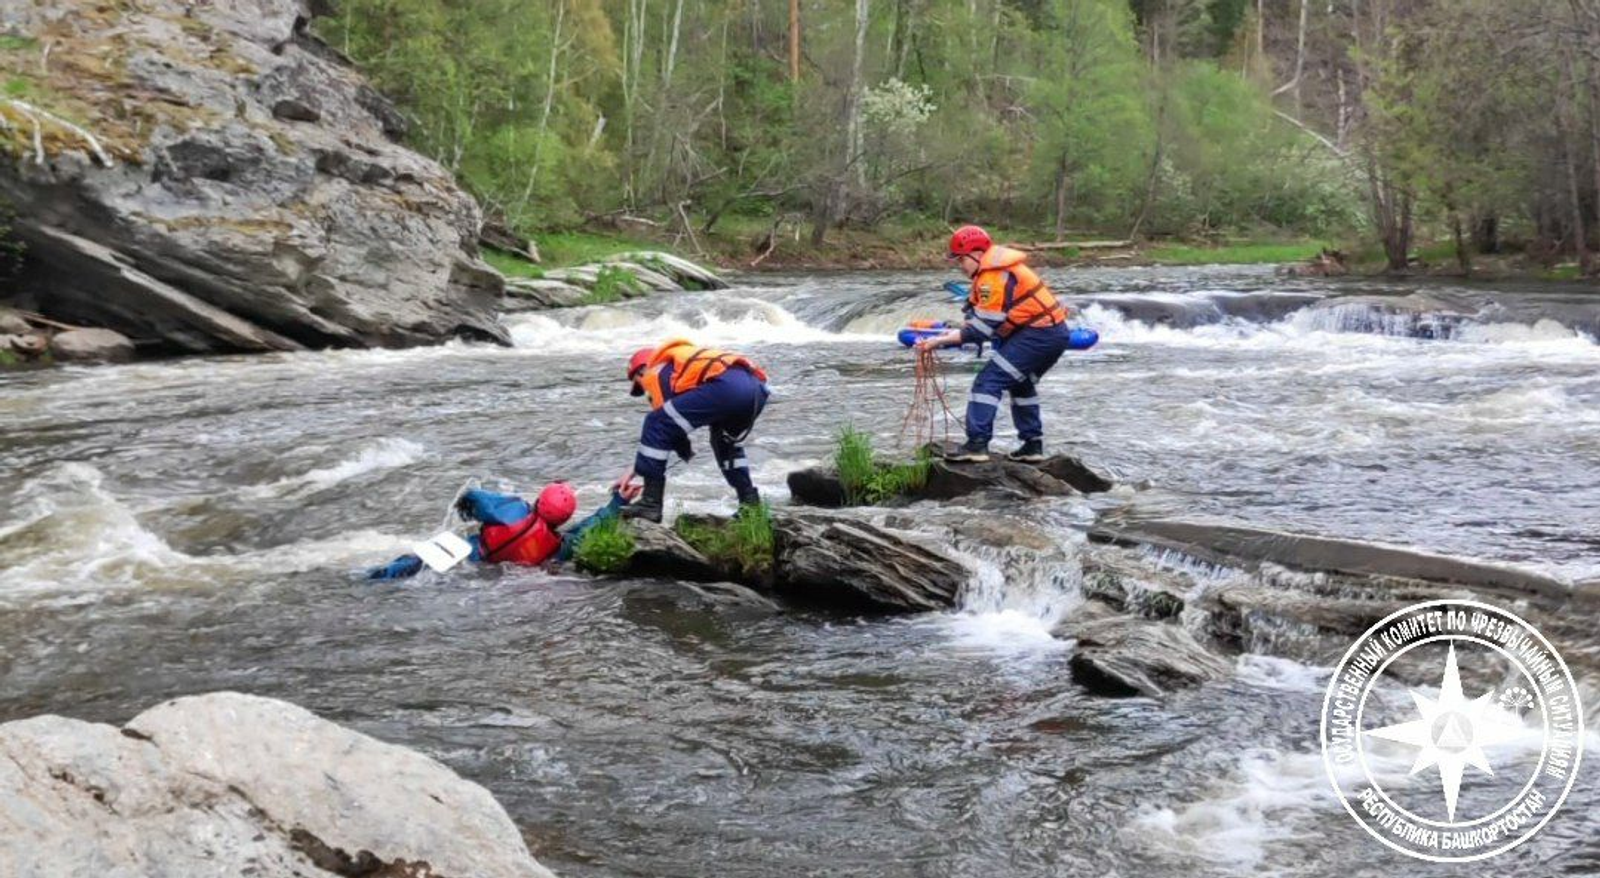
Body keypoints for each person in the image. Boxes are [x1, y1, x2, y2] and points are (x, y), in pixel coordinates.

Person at [916, 225, 1072, 463]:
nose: (960, 267)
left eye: (961, 260)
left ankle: (977, 445)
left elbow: (980, 331)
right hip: (1053, 334)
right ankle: (1032, 446)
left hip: (1038, 335)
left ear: (977, 254)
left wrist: (938, 341)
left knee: (988, 381)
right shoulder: (998, 272)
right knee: (1021, 385)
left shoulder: (992, 278)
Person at [613, 337, 770, 522]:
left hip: (727, 389)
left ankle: (650, 503)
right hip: (755, 389)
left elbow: (663, 428)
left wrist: (636, 469)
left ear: (641, 371)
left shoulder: (656, 371)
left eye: (639, 384)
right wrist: (681, 449)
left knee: (655, 422)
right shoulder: (680, 363)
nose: (645, 389)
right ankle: (751, 505)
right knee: (724, 443)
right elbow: (675, 425)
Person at [366, 482, 637, 579]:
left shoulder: (514, 509)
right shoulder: (558, 545)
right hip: (504, 574)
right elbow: (589, 527)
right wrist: (618, 502)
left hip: (473, 555)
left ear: (540, 500)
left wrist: (466, 510)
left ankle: (376, 576)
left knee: (416, 563)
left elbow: (475, 498)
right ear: (565, 518)